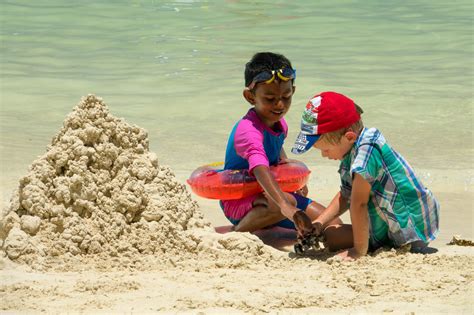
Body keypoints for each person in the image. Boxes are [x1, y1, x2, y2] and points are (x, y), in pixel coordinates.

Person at [291, 91, 440, 260]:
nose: (324, 155)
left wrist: (358, 252)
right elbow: (346, 195)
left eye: (325, 149)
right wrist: (318, 223)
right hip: (385, 222)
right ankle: (370, 243)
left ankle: (367, 247)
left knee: (345, 238)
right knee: (330, 235)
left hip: (410, 228)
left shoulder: (367, 151)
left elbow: (358, 204)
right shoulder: (350, 150)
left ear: (349, 137)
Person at [220, 52, 342, 240]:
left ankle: (278, 219)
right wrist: (287, 208)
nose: (280, 104)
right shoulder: (248, 131)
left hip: (273, 198)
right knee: (284, 203)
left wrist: (294, 182)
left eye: (286, 96)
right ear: (250, 97)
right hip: (239, 202)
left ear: (293, 90)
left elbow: (277, 155)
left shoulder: (279, 123)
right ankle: (236, 234)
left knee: (332, 224)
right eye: (270, 99)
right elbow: (260, 169)